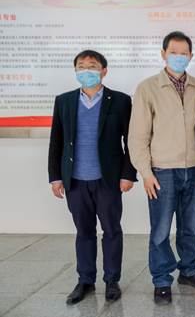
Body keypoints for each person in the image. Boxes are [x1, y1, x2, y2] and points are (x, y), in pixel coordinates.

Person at [128, 31, 195, 305]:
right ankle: (162, 279)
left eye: (183, 53)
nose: (178, 57)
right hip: (162, 171)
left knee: (191, 227)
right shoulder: (148, 88)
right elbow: (138, 136)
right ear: (163, 54)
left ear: (190, 56)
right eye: (173, 52)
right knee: (161, 230)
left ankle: (189, 270)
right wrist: (146, 173)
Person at [48, 50, 136, 304]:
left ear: (104, 71)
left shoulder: (120, 101)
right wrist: (55, 177)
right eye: (81, 66)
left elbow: (131, 141)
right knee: (83, 232)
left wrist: (128, 174)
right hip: (75, 181)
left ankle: (112, 280)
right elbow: (56, 141)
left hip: (108, 180)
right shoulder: (64, 101)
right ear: (75, 71)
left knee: (111, 230)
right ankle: (85, 280)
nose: (86, 71)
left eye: (92, 66)